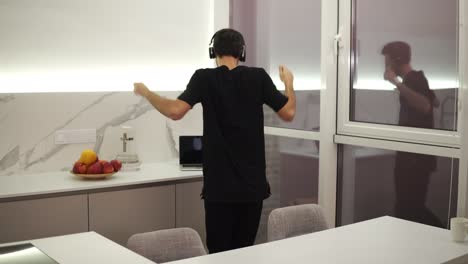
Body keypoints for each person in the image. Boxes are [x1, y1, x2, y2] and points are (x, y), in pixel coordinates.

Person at [134, 28, 296, 252]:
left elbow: (175, 111)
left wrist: (146, 92)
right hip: (252, 188)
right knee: (244, 251)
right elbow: (288, 112)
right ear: (242, 52)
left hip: (219, 188)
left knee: (219, 253)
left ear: (213, 52)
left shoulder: (204, 78)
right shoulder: (258, 77)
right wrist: (289, 82)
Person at [381, 41, 442, 227]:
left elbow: (425, 106)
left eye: (387, 60)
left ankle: (446, 235)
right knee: (409, 208)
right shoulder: (417, 79)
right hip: (414, 157)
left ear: (395, 61)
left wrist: (396, 83)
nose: (385, 65)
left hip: (415, 159)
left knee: (410, 209)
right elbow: (436, 102)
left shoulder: (414, 78)